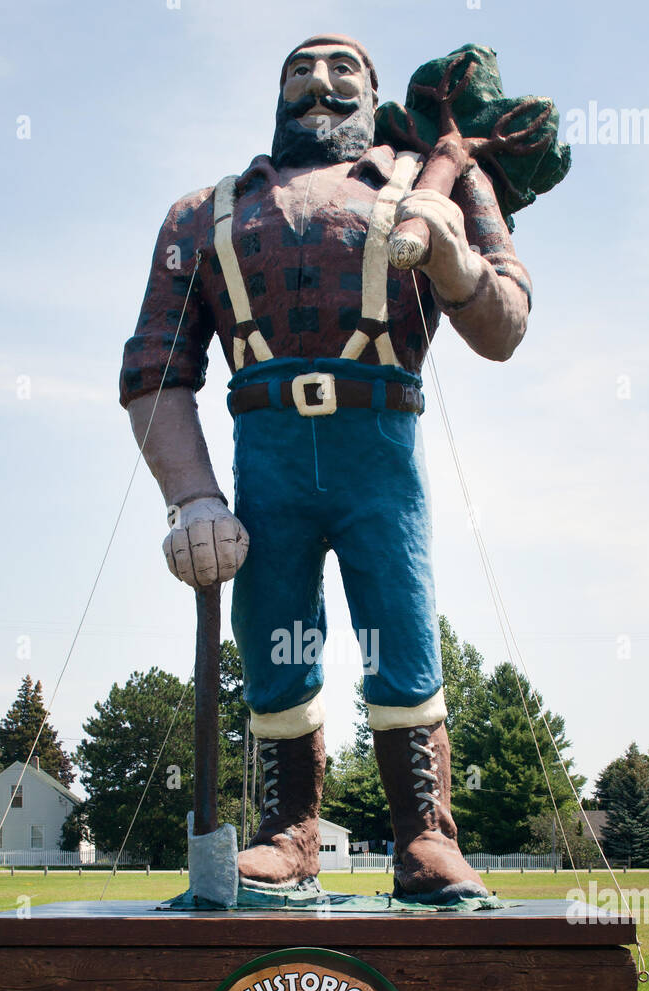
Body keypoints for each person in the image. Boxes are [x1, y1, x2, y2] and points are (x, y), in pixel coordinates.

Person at [120, 34, 532, 902]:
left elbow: (504, 324)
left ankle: (426, 836)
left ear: (375, 91)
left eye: (344, 69)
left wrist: (454, 256)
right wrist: (190, 496)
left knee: (401, 625)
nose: (320, 81)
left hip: (378, 445)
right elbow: (154, 368)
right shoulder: (204, 212)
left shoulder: (442, 186)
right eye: (298, 69)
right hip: (265, 450)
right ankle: (288, 831)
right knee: (275, 630)